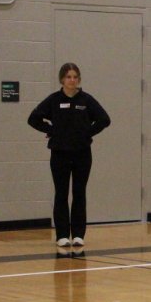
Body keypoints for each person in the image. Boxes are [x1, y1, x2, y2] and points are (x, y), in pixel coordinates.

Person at [28, 63, 111, 248]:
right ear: (62, 80)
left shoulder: (86, 100)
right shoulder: (54, 100)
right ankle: (62, 234)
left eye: (75, 77)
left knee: (79, 193)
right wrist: (51, 130)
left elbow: (105, 119)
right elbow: (33, 118)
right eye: (68, 77)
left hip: (82, 153)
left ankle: (79, 234)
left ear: (79, 79)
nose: (71, 80)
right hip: (59, 154)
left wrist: (87, 132)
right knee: (61, 193)